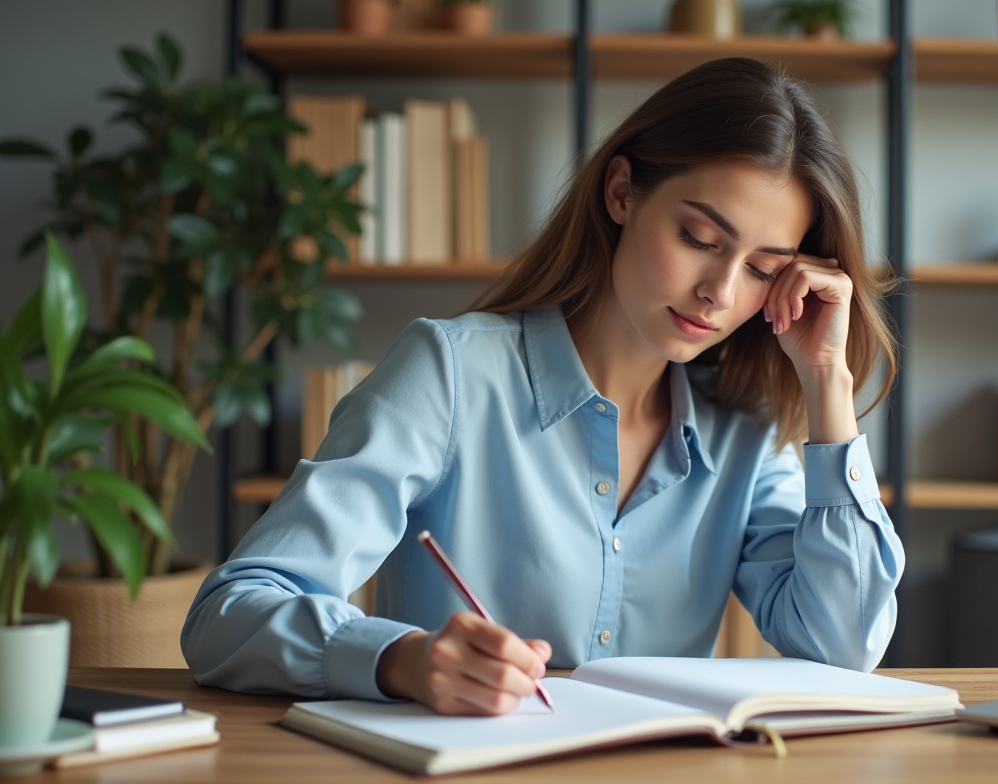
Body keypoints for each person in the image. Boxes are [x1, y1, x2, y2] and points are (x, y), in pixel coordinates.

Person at [181, 57, 903, 717]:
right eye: (699, 239)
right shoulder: (452, 373)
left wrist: (828, 385)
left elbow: (842, 647)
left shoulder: (746, 428)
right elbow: (230, 613)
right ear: (622, 192)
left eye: (762, 270)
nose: (718, 291)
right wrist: (402, 659)